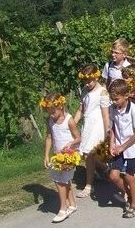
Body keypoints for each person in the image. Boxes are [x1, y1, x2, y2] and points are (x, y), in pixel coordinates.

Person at [42, 93, 81, 223]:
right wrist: (46, 155)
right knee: (63, 180)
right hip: (57, 155)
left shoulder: (69, 120)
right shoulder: (50, 121)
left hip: (69, 156)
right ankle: (72, 204)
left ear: (61, 106)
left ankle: (63, 209)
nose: (51, 114)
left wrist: (71, 143)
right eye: (48, 112)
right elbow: (49, 137)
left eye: (53, 111)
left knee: (60, 182)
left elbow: (78, 137)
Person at [73, 64, 111, 199]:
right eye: (85, 81)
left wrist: (107, 131)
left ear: (96, 77)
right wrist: (72, 123)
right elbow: (81, 110)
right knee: (87, 155)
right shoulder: (84, 91)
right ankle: (105, 170)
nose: (87, 84)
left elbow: (105, 114)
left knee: (89, 155)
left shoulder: (102, 92)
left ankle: (89, 185)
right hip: (87, 125)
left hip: (97, 125)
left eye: (89, 81)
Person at [108, 79, 135, 218]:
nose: (114, 102)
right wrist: (112, 143)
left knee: (129, 177)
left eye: (117, 99)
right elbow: (112, 128)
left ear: (126, 96)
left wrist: (123, 146)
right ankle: (129, 195)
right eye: (112, 99)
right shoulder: (113, 108)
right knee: (113, 176)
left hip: (132, 148)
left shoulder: (133, 110)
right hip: (118, 146)